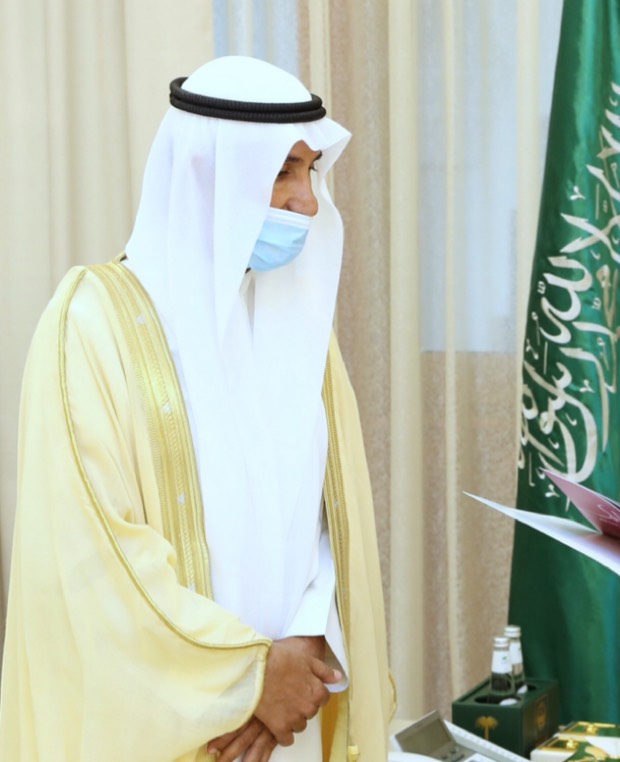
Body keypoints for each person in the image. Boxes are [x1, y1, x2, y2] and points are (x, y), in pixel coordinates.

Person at [0, 56, 394, 761]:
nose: (307, 202)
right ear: (207, 175)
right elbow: (90, 558)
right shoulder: (91, 324)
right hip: (165, 732)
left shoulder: (300, 329)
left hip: (293, 718)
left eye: (311, 171)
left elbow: (331, 517)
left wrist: (305, 647)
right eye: (282, 172)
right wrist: (246, 678)